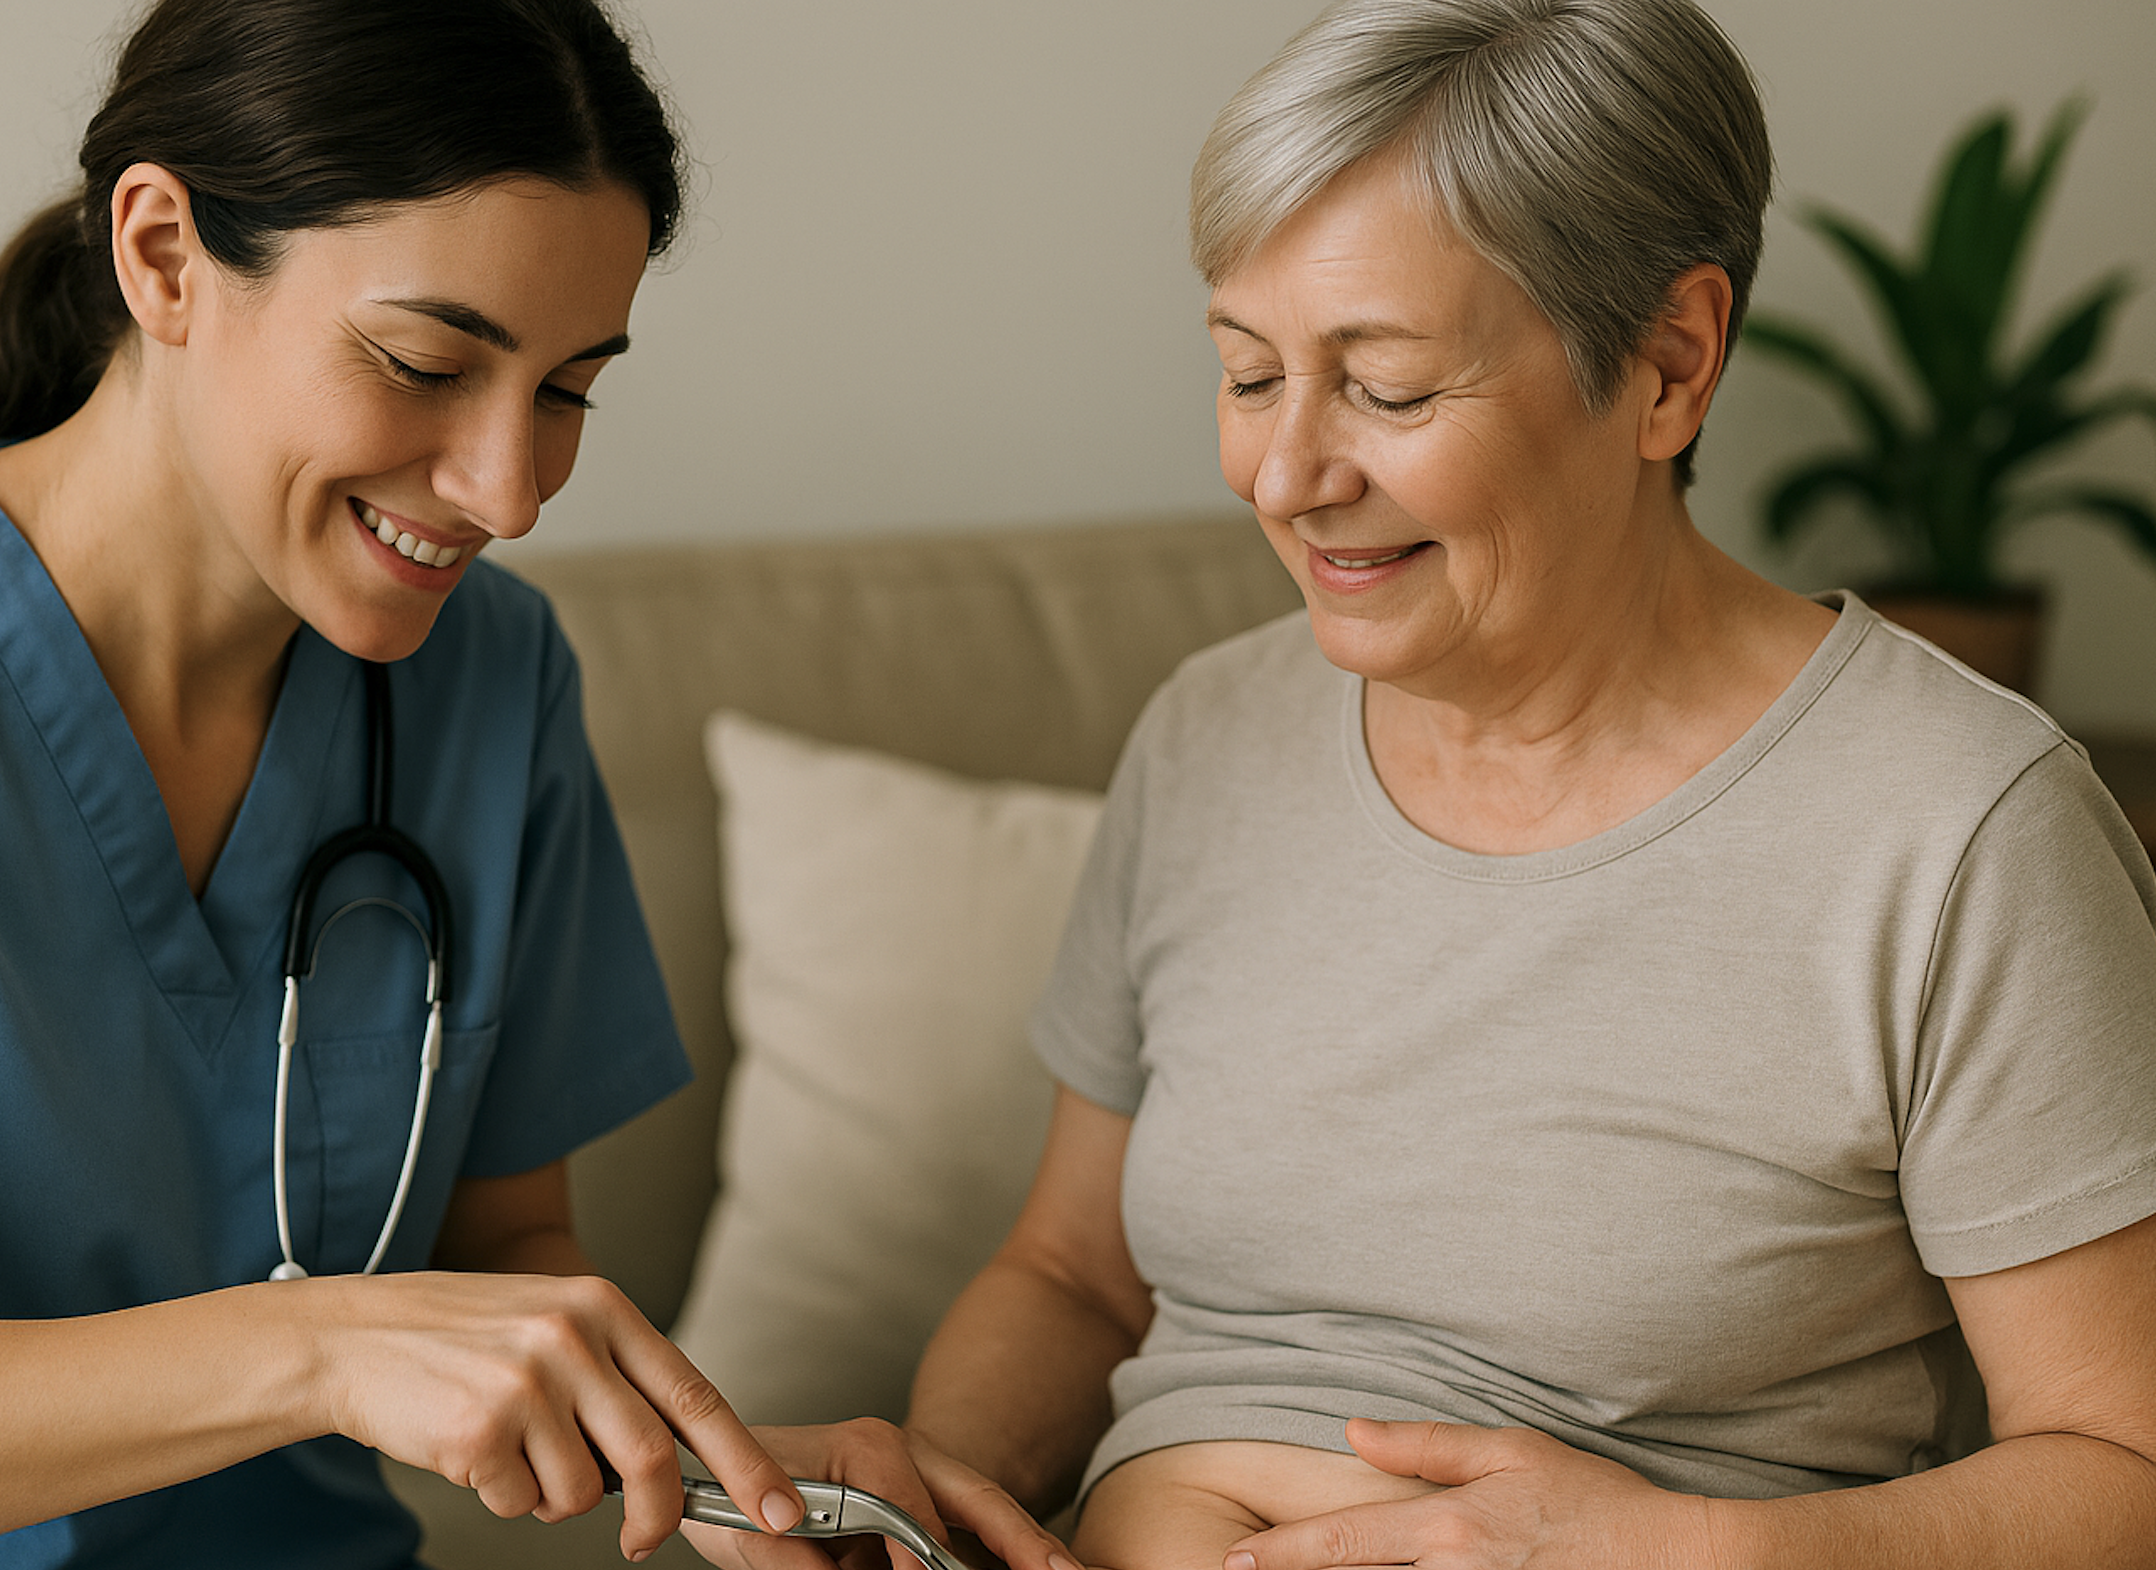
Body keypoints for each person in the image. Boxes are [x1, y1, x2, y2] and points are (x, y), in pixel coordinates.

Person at [690, 2, 2156, 1568]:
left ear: (1668, 364)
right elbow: (1074, 1276)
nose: (1282, 473)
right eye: (1248, 374)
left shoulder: (1956, 827)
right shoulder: (1208, 734)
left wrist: (1685, 1554)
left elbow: (2118, 1459)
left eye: (1384, 389)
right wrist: (931, 1493)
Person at [0, 1, 865, 1563]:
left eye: (565, 391)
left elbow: (506, 1252)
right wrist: (312, 1351)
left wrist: (745, 1468)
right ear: (164, 255)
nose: (509, 491)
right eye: (423, 362)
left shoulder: (491, 680)